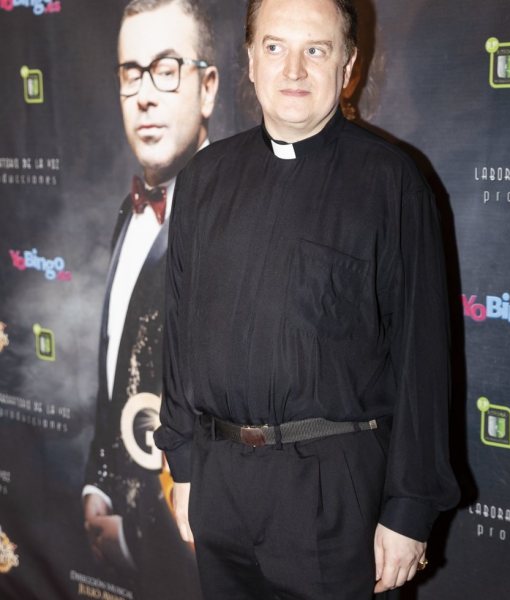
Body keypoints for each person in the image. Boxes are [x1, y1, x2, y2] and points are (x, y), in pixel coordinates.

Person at [155, 0, 459, 597]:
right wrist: (183, 465)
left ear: (348, 64)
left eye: (315, 50)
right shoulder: (202, 179)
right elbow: (179, 333)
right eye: (275, 47)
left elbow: (422, 360)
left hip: (333, 492)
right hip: (219, 488)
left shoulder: (392, 183)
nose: (293, 69)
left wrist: (409, 508)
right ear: (250, 59)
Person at [82, 0, 218, 597]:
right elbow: (119, 375)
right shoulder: (128, 214)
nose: (143, 95)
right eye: (130, 73)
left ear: (208, 88)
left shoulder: (234, 221)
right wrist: (99, 486)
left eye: (165, 69)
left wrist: (146, 535)